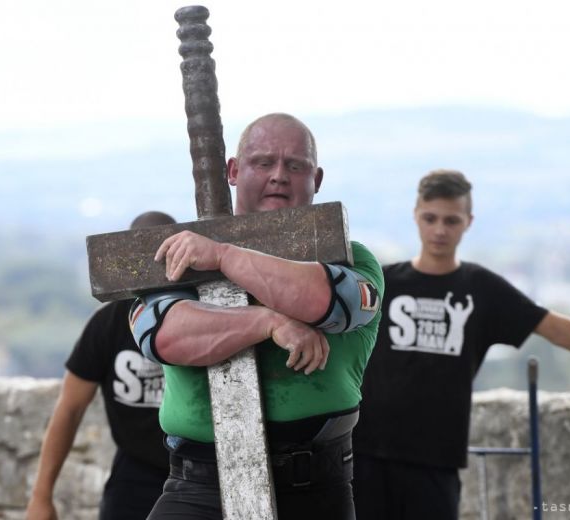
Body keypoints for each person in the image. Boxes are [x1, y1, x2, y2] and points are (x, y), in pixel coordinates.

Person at [128, 113, 385, 520]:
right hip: (198, 488)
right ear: (233, 171)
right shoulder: (180, 255)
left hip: (315, 490)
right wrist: (270, 322)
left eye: (294, 165)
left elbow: (331, 301)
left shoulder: (353, 257)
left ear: (316, 180)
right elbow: (164, 336)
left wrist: (225, 256)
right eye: (262, 163)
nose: (279, 176)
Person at [352, 169, 570, 519]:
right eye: (430, 218)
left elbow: (553, 327)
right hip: (366, 454)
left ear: (468, 222)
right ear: (416, 216)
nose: (439, 230)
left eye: (451, 220)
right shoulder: (385, 282)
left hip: (435, 460)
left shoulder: (481, 288)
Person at [26, 211, 177, 520]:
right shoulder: (108, 324)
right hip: (135, 472)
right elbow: (69, 408)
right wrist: (42, 496)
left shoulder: (202, 316)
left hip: (198, 468)